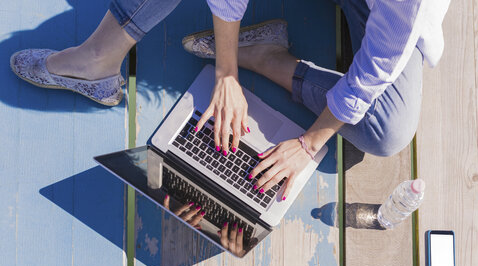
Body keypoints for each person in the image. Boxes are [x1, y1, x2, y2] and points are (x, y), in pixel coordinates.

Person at [10, 0, 450, 203]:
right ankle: (97, 59)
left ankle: (269, 59)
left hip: (382, 12)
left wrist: (308, 143)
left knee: (389, 129)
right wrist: (224, 71)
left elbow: (377, 66)